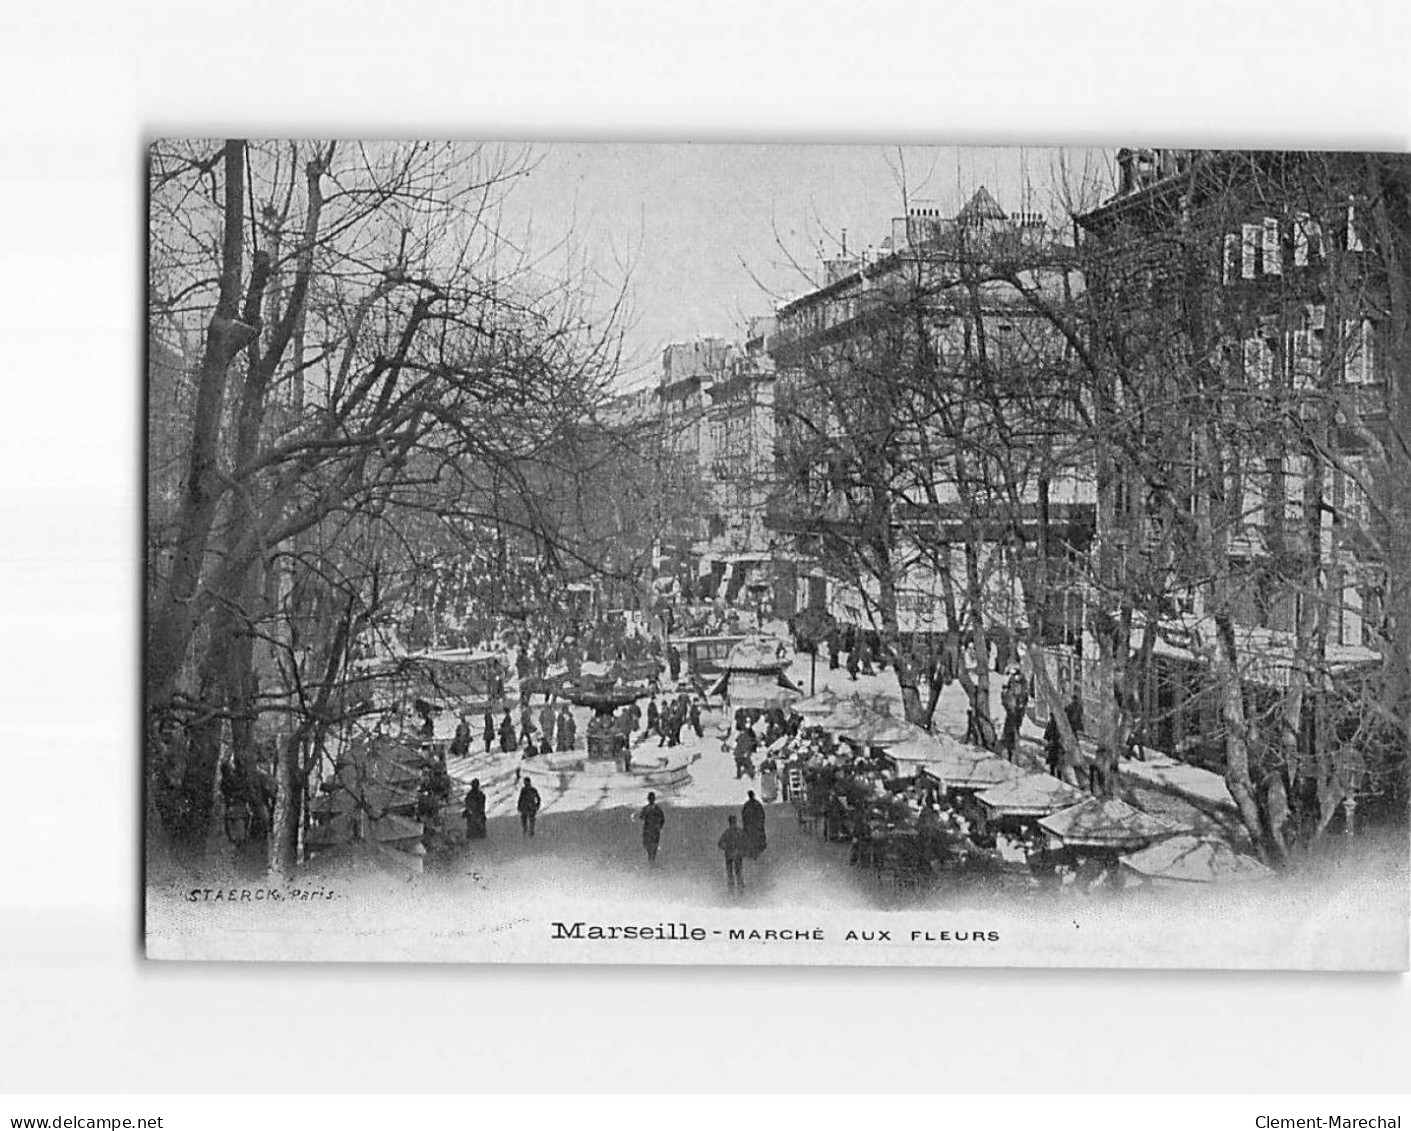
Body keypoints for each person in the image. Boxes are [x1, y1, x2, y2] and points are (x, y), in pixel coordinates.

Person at [1000, 666, 1029, 762]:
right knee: (1012, 728)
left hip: (1017, 709)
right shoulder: (1012, 683)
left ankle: (1012, 749)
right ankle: (1010, 749)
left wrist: (1021, 703)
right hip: (1013, 710)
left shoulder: (1022, 683)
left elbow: (1024, 695)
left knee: (1015, 725)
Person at [718, 815, 747, 891]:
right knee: (738, 872)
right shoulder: (740, 832)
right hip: (737, 855)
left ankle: (731, 889)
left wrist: (726, 849)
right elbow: (745, 842)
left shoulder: (727, 832)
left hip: (729, 855)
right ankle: (740, 888)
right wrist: (740, 850)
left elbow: (720, 844)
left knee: (730, 873)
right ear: (735, 821)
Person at [639, 791, 666, 865]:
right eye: (650, 798)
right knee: (648, 845)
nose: (651, 799)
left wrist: (659, 826)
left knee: (653, 846)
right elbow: (641, 817)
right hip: (649, 830)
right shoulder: (646, 808)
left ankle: (652, 861)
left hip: (654, 830)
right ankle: (650, 860)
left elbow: (662, 818)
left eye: (652, 798)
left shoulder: (657, 809)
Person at [741, 790, 767, 859]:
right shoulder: (756, 804)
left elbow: (744, 816)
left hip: (752, 827)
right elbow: (762, 815)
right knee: (756, 840)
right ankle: (755, 853)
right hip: (755, 827)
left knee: (753, 840)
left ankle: (755, 853)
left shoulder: (747, 805)